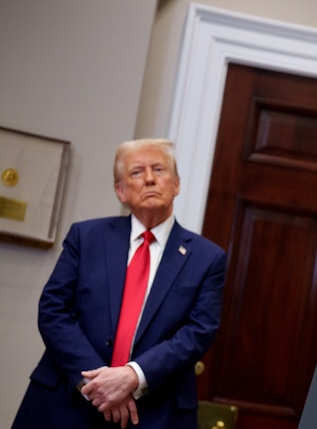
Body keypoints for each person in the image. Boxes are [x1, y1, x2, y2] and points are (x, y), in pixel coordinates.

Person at [13, 138, 227, 428]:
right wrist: (99, 386)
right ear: (120, 191)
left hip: (154, 413)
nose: (150, 178)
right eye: (137, 172)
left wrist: (132, 376)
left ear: (176, 184)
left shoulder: (207, 258)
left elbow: (198, 332)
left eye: (159, 169)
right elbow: (53, 311)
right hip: (65, 404)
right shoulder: (86, 237)